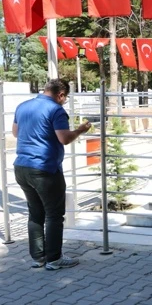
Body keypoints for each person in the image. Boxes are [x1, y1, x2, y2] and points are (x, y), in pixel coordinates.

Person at [13, 79, 92, 270]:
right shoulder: (56, 110)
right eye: (65, 98)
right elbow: (64, 138)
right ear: (61, 94)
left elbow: (16, 133)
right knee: (54, 215)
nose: (64, 101)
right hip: (45, 169)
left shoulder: (23, 106)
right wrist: (81, 129)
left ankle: (38, 258)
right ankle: (54, 259)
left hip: (21, 167)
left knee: (35, 214)